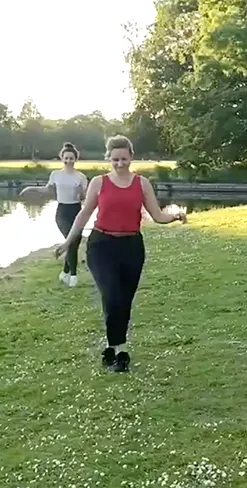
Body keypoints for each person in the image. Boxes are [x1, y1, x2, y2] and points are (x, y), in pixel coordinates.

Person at [55, 135, 186, 372]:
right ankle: (120, 347)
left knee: (124, 300)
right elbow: (84, 214)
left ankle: (112, 346)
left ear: (131, 157)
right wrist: (68, 242)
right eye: (115, 159)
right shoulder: (99, 182)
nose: (120, 163)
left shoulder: (142, 184)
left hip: (131, 247)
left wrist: (175, 216)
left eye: (124, 159)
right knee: (112, 295)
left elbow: (157, 215)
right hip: (101, 245)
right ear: (109, 158)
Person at [20, 142, 88, 287]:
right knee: (70, 242)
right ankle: (73, 277)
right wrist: (30, 188)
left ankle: (65, 273)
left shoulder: (81, 176)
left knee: (73, 243)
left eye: (71, 158)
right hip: (62, 212)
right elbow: (47, 190)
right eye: (66, 158)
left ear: (76, 159)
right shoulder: (56, 175)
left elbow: (83, 197)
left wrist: (79, 192)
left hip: (76, 211)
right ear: (62, 158)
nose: (69, 161)